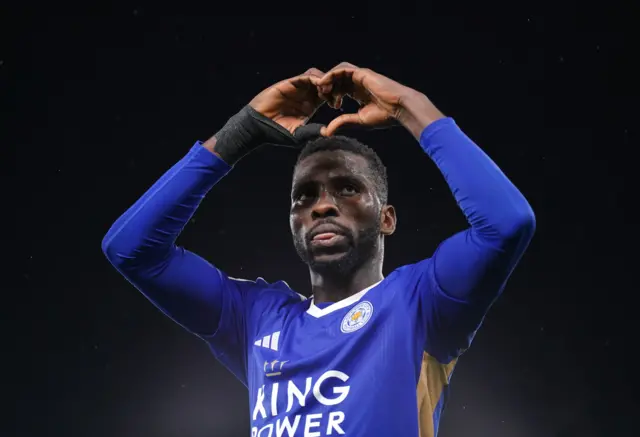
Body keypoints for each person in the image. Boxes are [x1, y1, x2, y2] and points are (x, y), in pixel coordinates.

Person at [102, 62, 536, 437]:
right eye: (304, 196)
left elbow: (506, 224)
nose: (322, 205)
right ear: (293, 223)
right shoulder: (254, 319)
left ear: (387, 218)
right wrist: (239, 134)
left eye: (347, 188)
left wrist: (408, 106)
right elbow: (131, 249)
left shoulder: (422, 302)